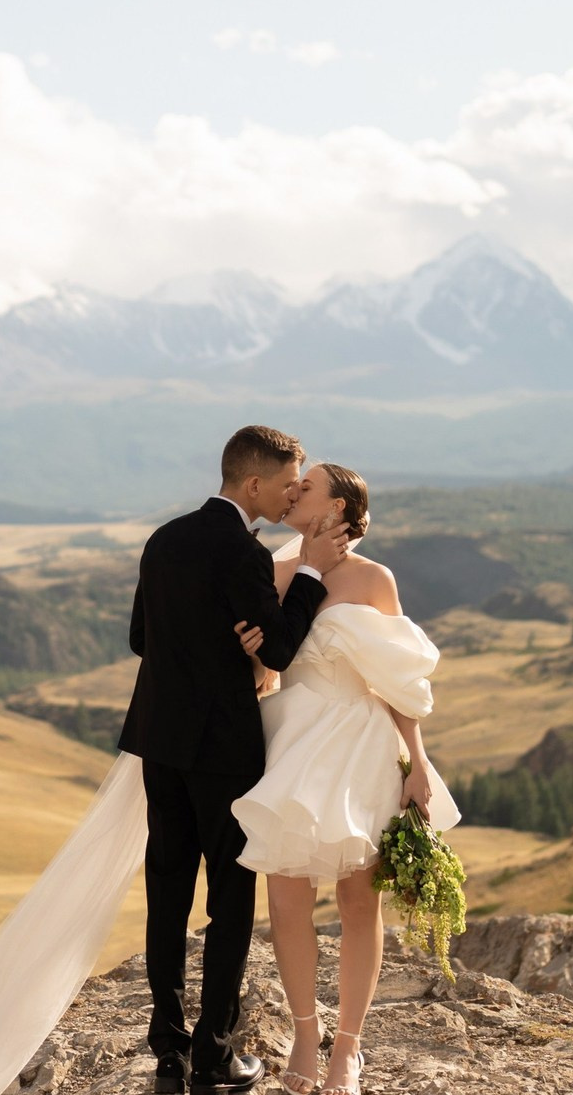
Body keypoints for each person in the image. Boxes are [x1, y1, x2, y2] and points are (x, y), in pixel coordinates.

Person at [117, 426, 353, 1095]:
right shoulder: (245, 554)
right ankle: (215, 1057)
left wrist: (224, 643)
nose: (289, 497)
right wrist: (304, 573)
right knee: (228, 901)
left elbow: (142, 637)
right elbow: (277, 651)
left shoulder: (163, 540)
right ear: (253, 484)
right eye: (285, 485)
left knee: (166, 891)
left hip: (160, 742)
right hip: (222, 752)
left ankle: (167, 1051)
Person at [230, 462, 459, 1095]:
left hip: (361, 742)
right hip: (293, 739)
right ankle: (307, 1034)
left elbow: (399, 680)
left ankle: (348, 1051)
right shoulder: (274, 574)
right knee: (286, 894)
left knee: (361, 899)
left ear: (338, 508)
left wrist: (414, 762)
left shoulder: (372, 579)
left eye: (307, 487)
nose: (293, 491)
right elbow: (262, 669)